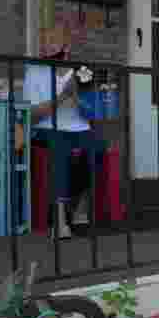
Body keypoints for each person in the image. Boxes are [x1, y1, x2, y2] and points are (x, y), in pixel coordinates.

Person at [24, 33, 107, 239]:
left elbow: (94, 114)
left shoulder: (81, 73)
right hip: (46, 129)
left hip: (80, 129)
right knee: (60, 152)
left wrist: (77, 96)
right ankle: (59, 222)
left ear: (66, 48)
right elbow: (31, 117)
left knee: (98, 149)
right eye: (47, 44)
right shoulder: (35, 72)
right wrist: (62, 97)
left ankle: (77, 209)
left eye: (55, 43)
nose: (50, 47)